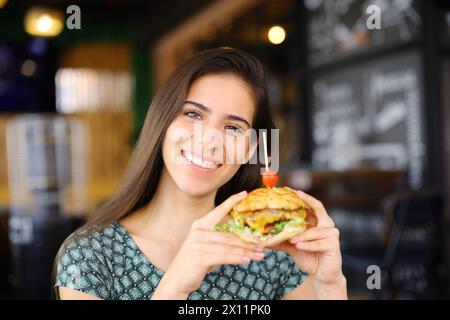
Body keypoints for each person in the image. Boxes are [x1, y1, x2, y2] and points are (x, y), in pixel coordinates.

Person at [53, 47, 347, 300]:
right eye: (193, 114)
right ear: (163, 122)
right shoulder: (91, 255)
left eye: (232, 128)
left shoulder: (274, 252)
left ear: (250, 149)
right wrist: (174, 287)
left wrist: (329, 284)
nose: (209, 139)